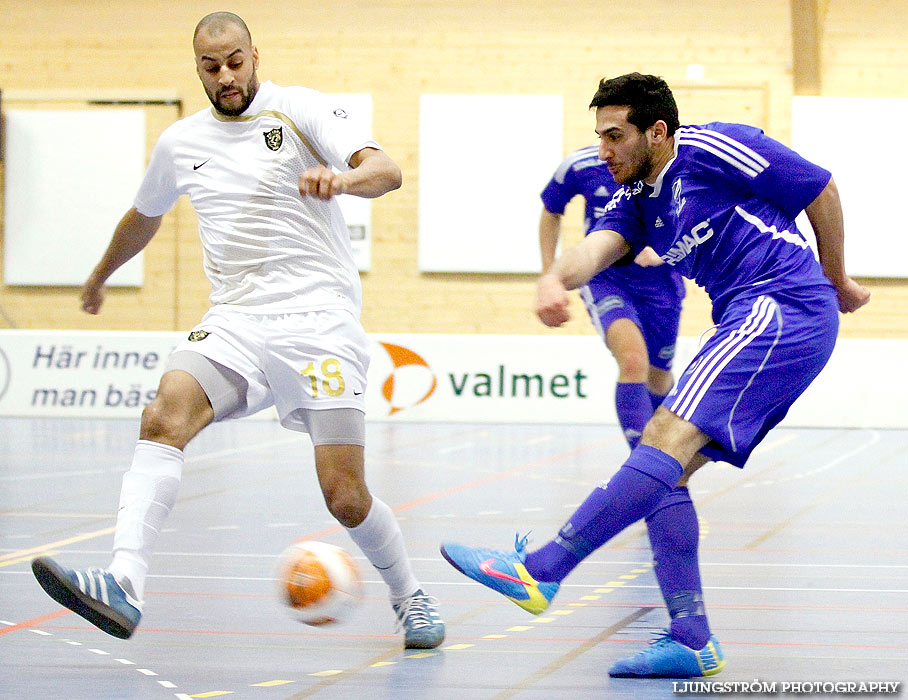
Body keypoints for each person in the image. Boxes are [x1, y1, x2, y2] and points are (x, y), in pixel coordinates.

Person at [30, 11, 444, 650]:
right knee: (163, 416)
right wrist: (99, 275)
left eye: (235, 62)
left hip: (319, 324)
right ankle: (125, 581)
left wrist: (343, 179)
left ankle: (409, 595)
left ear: (255, 54)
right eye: (210, 66)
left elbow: (386, 170)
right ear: (196, 66)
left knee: (345, 497)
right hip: (237, 322)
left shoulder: (301, 111)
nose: (226, 76)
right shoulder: (180, 143)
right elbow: (143, 217)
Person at [441, 72, 869, 678]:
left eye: (615, 136)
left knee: (662, 440)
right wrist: (549, 279)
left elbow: (819, 186)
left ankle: (537, 571)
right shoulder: (636, 201)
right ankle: (691, 638)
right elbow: (591, 253)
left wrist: (837, 277)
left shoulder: (712, 148)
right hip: (750, 317)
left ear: (657, 131)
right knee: (664, 474)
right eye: (598, 137)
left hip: (782, 304)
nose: (603, 151)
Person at [539, 145, 686, 449]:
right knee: (633, 360)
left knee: (659, 378)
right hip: (607, 280)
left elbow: (698, 213)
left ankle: (661, 453)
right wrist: (549, 273)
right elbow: (551, 210)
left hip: (662, 283)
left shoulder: (674, 161)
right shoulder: (580, 165)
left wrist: (667, 248)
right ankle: (645, 463)